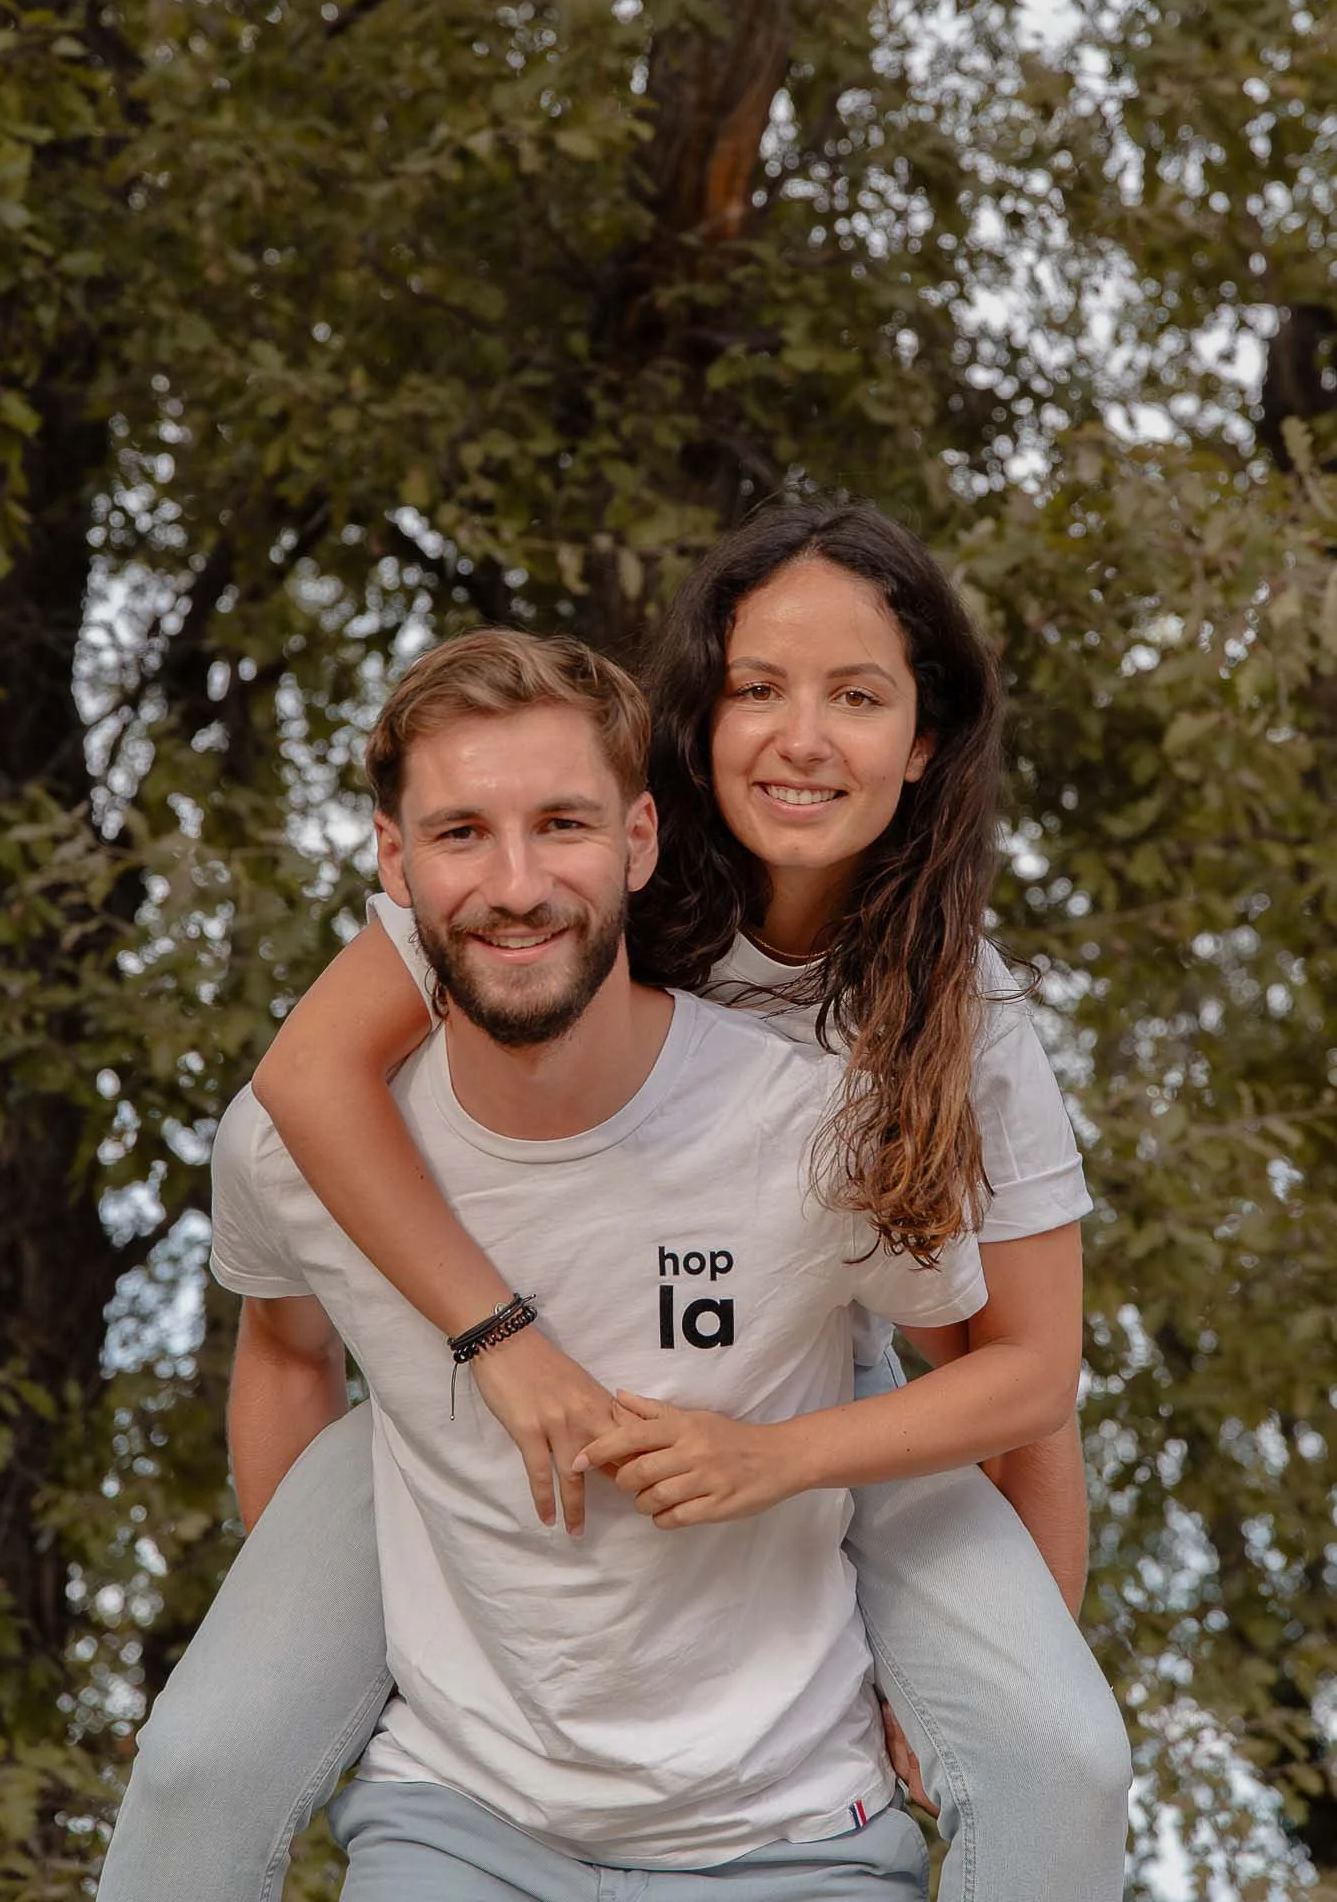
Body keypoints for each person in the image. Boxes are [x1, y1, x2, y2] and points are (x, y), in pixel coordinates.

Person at [97, 502, 1131, 1902]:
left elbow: (1026, 1377)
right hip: (467, 1358)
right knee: (201, 1764)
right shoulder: (566, 884)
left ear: (925, 738)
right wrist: (495, 1353)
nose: (801, 737)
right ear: (694, 724)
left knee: (1060, 1749)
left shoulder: (958, 1017)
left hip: (817, 1391)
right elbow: (306, 1082)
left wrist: (1004, 1685)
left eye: (857, 696)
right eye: (757, 688)